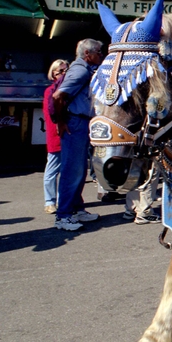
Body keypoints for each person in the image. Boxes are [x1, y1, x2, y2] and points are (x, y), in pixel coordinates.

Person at [51, 39, 103, 231]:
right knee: (72, 170)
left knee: (79, 169)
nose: (101, 54)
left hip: (80, 122)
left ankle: (76, 209)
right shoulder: (80, 71)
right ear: (87, 54)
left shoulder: (84, 69)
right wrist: (61, 122)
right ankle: (63, 215)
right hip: (76, 122)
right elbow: (58, 96)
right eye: (98, 51)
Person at [41, 59, 69, 214]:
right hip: (56, 134)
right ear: (53, 74)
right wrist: (58, 129)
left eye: (66, 71)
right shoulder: (50, 91)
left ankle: (62, 199)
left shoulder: (69, 89)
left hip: (70, 134)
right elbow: (49, 115)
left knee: (67, 171)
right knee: (52, 170)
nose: (63, 74)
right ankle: (49, 201)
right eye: (59, 71)